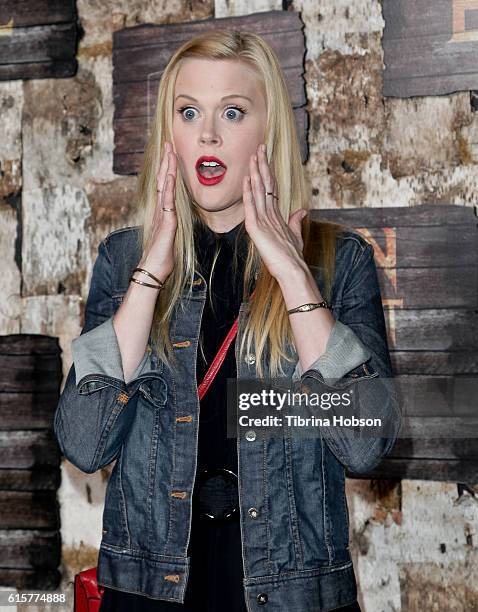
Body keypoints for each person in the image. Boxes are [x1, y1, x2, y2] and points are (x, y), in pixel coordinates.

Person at [54, 29, 401, 611]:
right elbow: (84, 444)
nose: (207, 134)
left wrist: (293, 276)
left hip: (289, 594)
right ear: (171, 133)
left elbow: (365, 446)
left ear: (269, 131)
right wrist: (150, 274)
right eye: (188, 112)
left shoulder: (338, 260)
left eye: (232, 113)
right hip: (150, 591)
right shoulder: (123, 260)